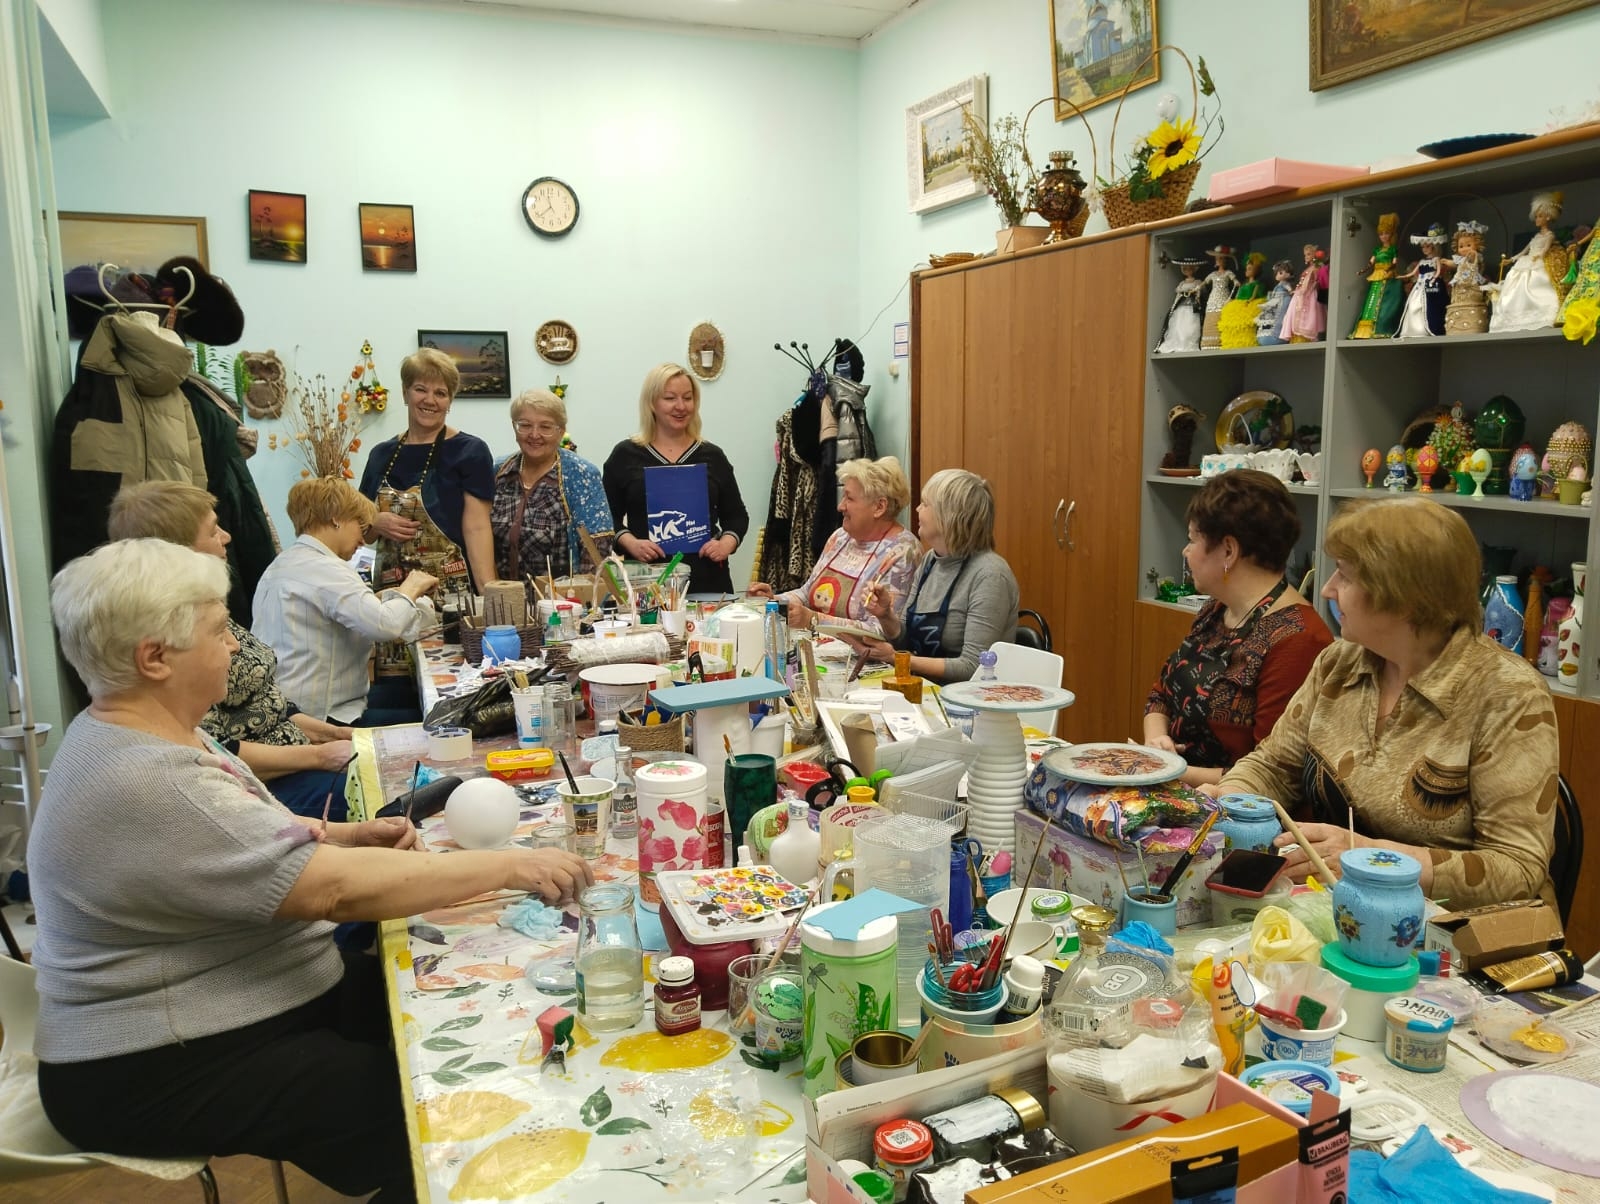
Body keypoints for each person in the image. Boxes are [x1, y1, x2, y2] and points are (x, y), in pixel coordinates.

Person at [31, 538, 593, 1202]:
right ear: (155, 658)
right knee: (441, 1119)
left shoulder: (145, 729)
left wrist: (347, 833)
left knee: (461, 1016)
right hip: (152, 1061)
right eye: (218, 631)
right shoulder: (151, 779)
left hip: (236, 998)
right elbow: (334, 892)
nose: (235, 647)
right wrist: (512, 865)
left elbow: (242, 832)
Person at [1210, 498, 1559, 911]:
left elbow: (1517, 870)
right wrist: (1224, 800)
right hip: (1342, 910)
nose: (1328, 589)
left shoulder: (1507, 693)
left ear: (1405, 597)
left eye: (1345, 575)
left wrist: (1369, 856)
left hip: (1453, 932)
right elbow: (1272, 766)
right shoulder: (1339, 663)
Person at [107, 481, 357, 819]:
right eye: (213, 531)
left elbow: (272, 706)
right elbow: (213, 747)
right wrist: (321, 756)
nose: (226, 537)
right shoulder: (174, 634)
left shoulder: (207, 604)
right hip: (258, 785)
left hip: (296, 757)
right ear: (178, 549)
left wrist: (336, 735)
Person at [1143, 471, 1331, 787]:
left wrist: (1169, 769)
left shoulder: (1299, 639)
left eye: (1192, 540)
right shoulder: (1216, 610)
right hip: (1175, 781)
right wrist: (1156, 740)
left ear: (1229, 550)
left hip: (1232, 804)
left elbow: (1274, 774)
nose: (1186, 552)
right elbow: (1162, 692)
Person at [253, 478, 439, 726]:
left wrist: (388, 597)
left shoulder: (284, 564)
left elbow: (339, 610)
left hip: (289, 706)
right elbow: (386, 625)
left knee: (411, 698)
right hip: (322, 717)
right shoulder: (325, 569)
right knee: (439, 720)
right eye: (361, 525)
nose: (363, 539)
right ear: (335, 519)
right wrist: (411, 586)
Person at [848, 468, 1018, 684]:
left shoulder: (990, 575)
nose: (917, 509)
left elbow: (973, 667)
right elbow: (905, 639)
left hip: (969, 697)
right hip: (923, 687)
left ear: (949, 516)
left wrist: (897, 659)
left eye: (925, 504)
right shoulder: (931, 560)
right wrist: (886, 616)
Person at [603, 363, 749, 596]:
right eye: (670, 398)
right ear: (652, 403)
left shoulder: (713, 456)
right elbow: (606, 517)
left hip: (708, 582)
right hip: (646, 584)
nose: (681, 406)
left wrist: (726, 544)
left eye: (688, 398)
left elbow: (737, 516)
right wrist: (631, 543)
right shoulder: (625, 455)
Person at [359, 347, 496, 596]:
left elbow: (477, 529)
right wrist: (376, 523)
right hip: (392, 595)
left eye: (440, 393)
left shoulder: (470, 451)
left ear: (450, 401)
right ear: (405, 393)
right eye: (421, 389)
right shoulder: (380, 455)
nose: (430, 400)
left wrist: (490, 596)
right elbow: (361, 532)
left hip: (451, 595)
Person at [749, 455, 921, 632]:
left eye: (849, 498)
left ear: (879, 507)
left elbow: (882, 631)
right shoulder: (840, 537)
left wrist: (813, 620)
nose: (840, 506)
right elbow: (806, 593)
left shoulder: (903, 552)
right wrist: (775, 601)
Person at [492, 388, 613, 582]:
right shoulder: (499, 471)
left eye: (546, 427)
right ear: (514, 427)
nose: (534, 434)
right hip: (502, 594)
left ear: (561, 431)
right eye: (525, 425)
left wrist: (582, 596)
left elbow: (596, 551)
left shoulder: (581, 474)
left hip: (561, 597)